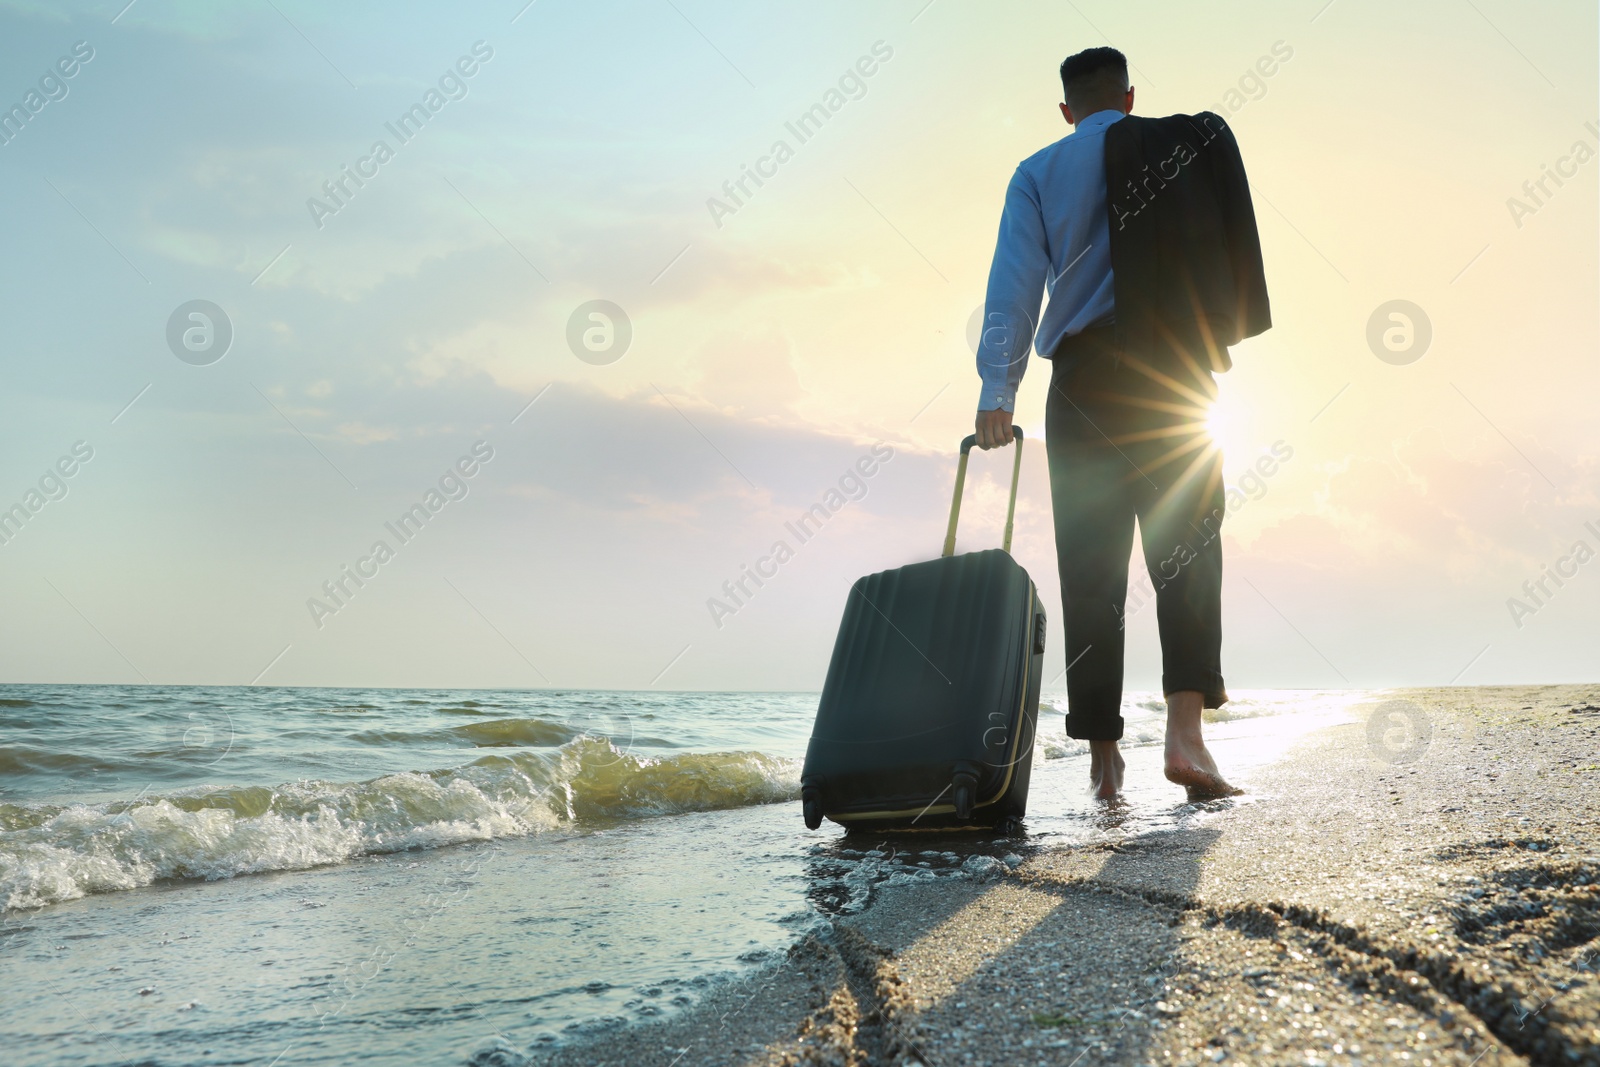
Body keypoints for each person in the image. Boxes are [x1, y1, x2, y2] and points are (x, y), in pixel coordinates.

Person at [971, 46, 1271, 801]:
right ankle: (1187, 740)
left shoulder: (1038, 171)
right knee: (1189, 549)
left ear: (1067, 111)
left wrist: (996, 392)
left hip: (1080, 384)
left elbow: (1014, 287)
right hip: (1173, 377)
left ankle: (1105, 767)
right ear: (1129, 98)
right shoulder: (1181, 150)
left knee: (1092, 570)